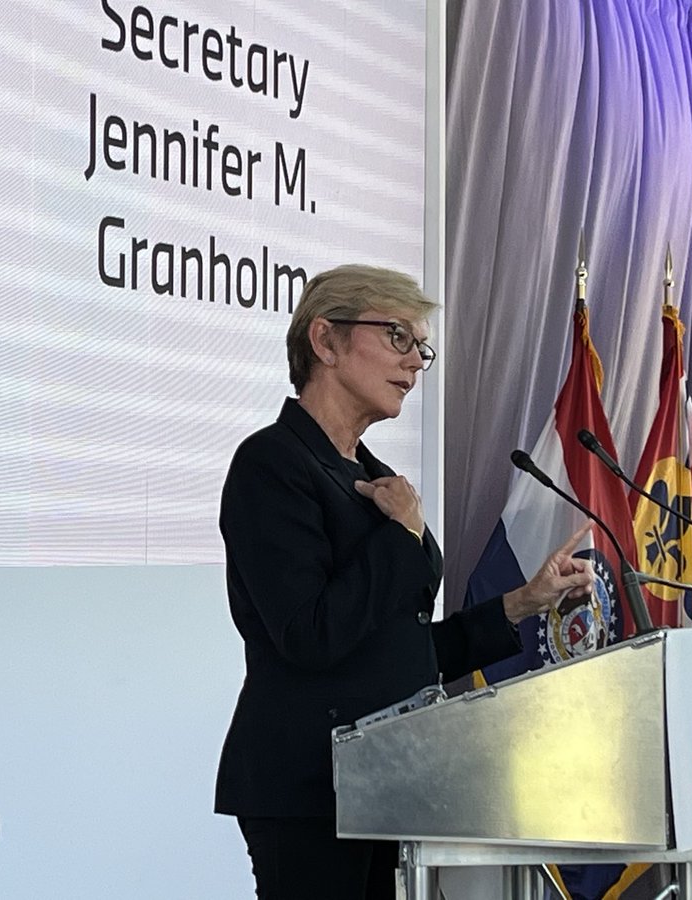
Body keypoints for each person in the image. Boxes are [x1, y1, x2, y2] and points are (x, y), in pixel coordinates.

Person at [214, 264, 595, 900]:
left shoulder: (377, 476)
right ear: (326, 341)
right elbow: (311, 636)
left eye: (421, 346)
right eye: (397, 337)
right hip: (310, 789)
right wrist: (399, 536)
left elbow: (401, 649)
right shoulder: (272, 465)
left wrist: (522, 603)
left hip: (388, 783)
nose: (416, 362)